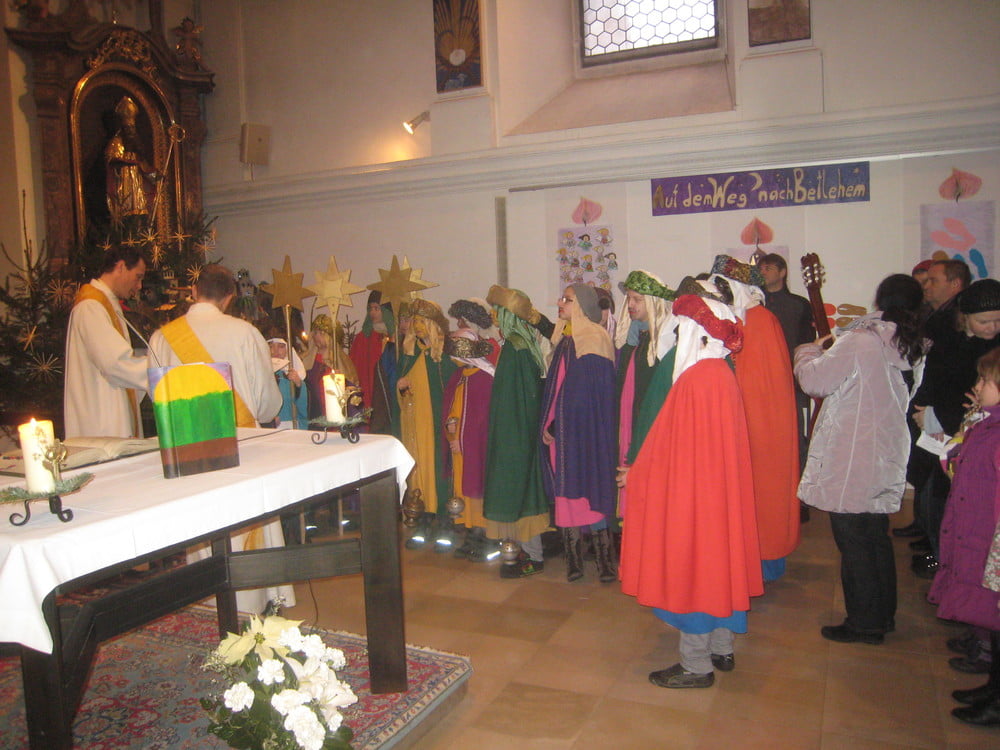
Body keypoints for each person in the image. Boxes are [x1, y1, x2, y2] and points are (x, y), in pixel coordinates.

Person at [620, 293, 762, 689]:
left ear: (698, 334)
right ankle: (722, 647)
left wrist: (636, 474)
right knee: (720, 566)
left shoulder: (695, 381)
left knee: (696, 572)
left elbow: (670, 446)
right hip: (719, 498)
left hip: (695, 500)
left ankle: (696, 665)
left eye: (683, 330)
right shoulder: (722, 374)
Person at [795, 273, 925, 645]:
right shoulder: (912, 343)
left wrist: (807, 351)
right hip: (884, 450)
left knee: (854, 541)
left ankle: (864, 623)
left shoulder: (862, 340)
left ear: (880, 300)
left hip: (852, 452)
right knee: (875, 537)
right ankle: (882, 615)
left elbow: (815, 382)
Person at [709, 255, 801, 581]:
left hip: (760, 424)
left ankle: (763, 562)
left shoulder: (759, 321)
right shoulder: (739, 320)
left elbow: (761, 382)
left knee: (762, 492)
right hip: (742, 419)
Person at [928, 346, 1000, 727]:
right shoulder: (987, 425)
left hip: (990, 541)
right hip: (976, 534)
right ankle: (992, 687)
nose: (978, 386)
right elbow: (955, 458)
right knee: (992, 621)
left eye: (985, 381)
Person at [540, 284, 618, 583]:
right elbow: (557, 388)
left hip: (585, 429)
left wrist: (556, 425)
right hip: (560, 430)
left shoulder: (594, 338)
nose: (560, 302)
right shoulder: (566, 339)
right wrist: (551, 425)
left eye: (567, 299)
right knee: (567, 492)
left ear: (583, 306)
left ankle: (605, 561)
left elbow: (583, 393)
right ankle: (573, 560)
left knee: (591, 485)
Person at [149, 264, 281, 428]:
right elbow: (267, 403)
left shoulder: (161, 338)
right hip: (239, 436)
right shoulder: (246, 333)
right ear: (229, 297)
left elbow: (158, 398)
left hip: (183, 436)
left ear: (194, 291)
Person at [482, 286, 552, 578]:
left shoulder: (515, 348)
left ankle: (532, 555)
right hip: (517, 431)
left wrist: (507, 437)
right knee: (523, 490)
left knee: (520, 491)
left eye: (497, 311)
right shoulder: (522, 343)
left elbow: (517, 398)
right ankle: (526, 550)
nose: (493, 316)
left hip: (514, 434)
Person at [64, 244, 149, 439]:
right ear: (121, 267)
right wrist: (160, 371)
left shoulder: (106, 303)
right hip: (101, 418)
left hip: (111, 410)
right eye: (138, 277)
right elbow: (115, 363)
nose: (139, 286)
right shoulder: (91, 306)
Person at [396, 299, 457, 549]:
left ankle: (443, 523)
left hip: (436, 424)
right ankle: (421, 520)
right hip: (414, 424)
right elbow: (401, 391)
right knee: (418, 470)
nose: (417, 326)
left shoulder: (444, 354)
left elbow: (451, 389)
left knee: (438, 469)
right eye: (415, 321)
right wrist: (400, 388)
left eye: (422, 321)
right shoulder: (410, 353)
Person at [614, 270, 674, 517]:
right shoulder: (637, 340)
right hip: (632, 421)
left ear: (653, 302)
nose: (631, 304)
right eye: (629, 298)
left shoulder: (663, 345)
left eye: (637, 299)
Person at [757, 252, 815, 480]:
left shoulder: (799, 305)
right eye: (761, 268)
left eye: (769, 268)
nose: (763, 272)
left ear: (782, 272)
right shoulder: (753, 305)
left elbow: (806, 344)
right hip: (759, 383)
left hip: (791, 382)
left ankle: (796, 489)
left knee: (793, 437)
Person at [441, 319, 495, 560]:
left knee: (477, 488)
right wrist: (451, 431)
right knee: (464, 489)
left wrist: (463, 438)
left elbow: (482, 418)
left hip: (476, 447)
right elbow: (452, 408)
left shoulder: (485, 378)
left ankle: (485, 534)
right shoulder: (459, 376)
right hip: (459, 446)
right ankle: (471, 531)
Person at [104, 95, 159, 235]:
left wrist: (156, 177)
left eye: (132, 128)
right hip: (123, 184)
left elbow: (145, 168)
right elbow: (110, 160)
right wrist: (127, 162)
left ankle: (140, 233)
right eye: (127, 128)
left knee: (140, 211)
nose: (130, 131)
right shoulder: (116, 142)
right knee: (126, 214)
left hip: (136, 186)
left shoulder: (137, 150)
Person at [302, 314, 358, 422]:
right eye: (315, 333)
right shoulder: (309, 359)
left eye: (321, 333)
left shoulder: (340, 360)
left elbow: (351, 383)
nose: (316, 336)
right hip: (315, 408)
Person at [349, 291, 388, 413]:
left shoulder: (393, 336)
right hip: (367, 390)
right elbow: (353, 367)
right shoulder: (362, 337)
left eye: (377, 308)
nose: (372, 312)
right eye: (370, 308)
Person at [267, 337, 308, 429]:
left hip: (290, 425)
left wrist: (298, 384)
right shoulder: (262, 374)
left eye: (281, 346)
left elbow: (302, 408)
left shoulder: (293, 375)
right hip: (269, 426)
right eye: (271, 346)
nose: (275, 351)